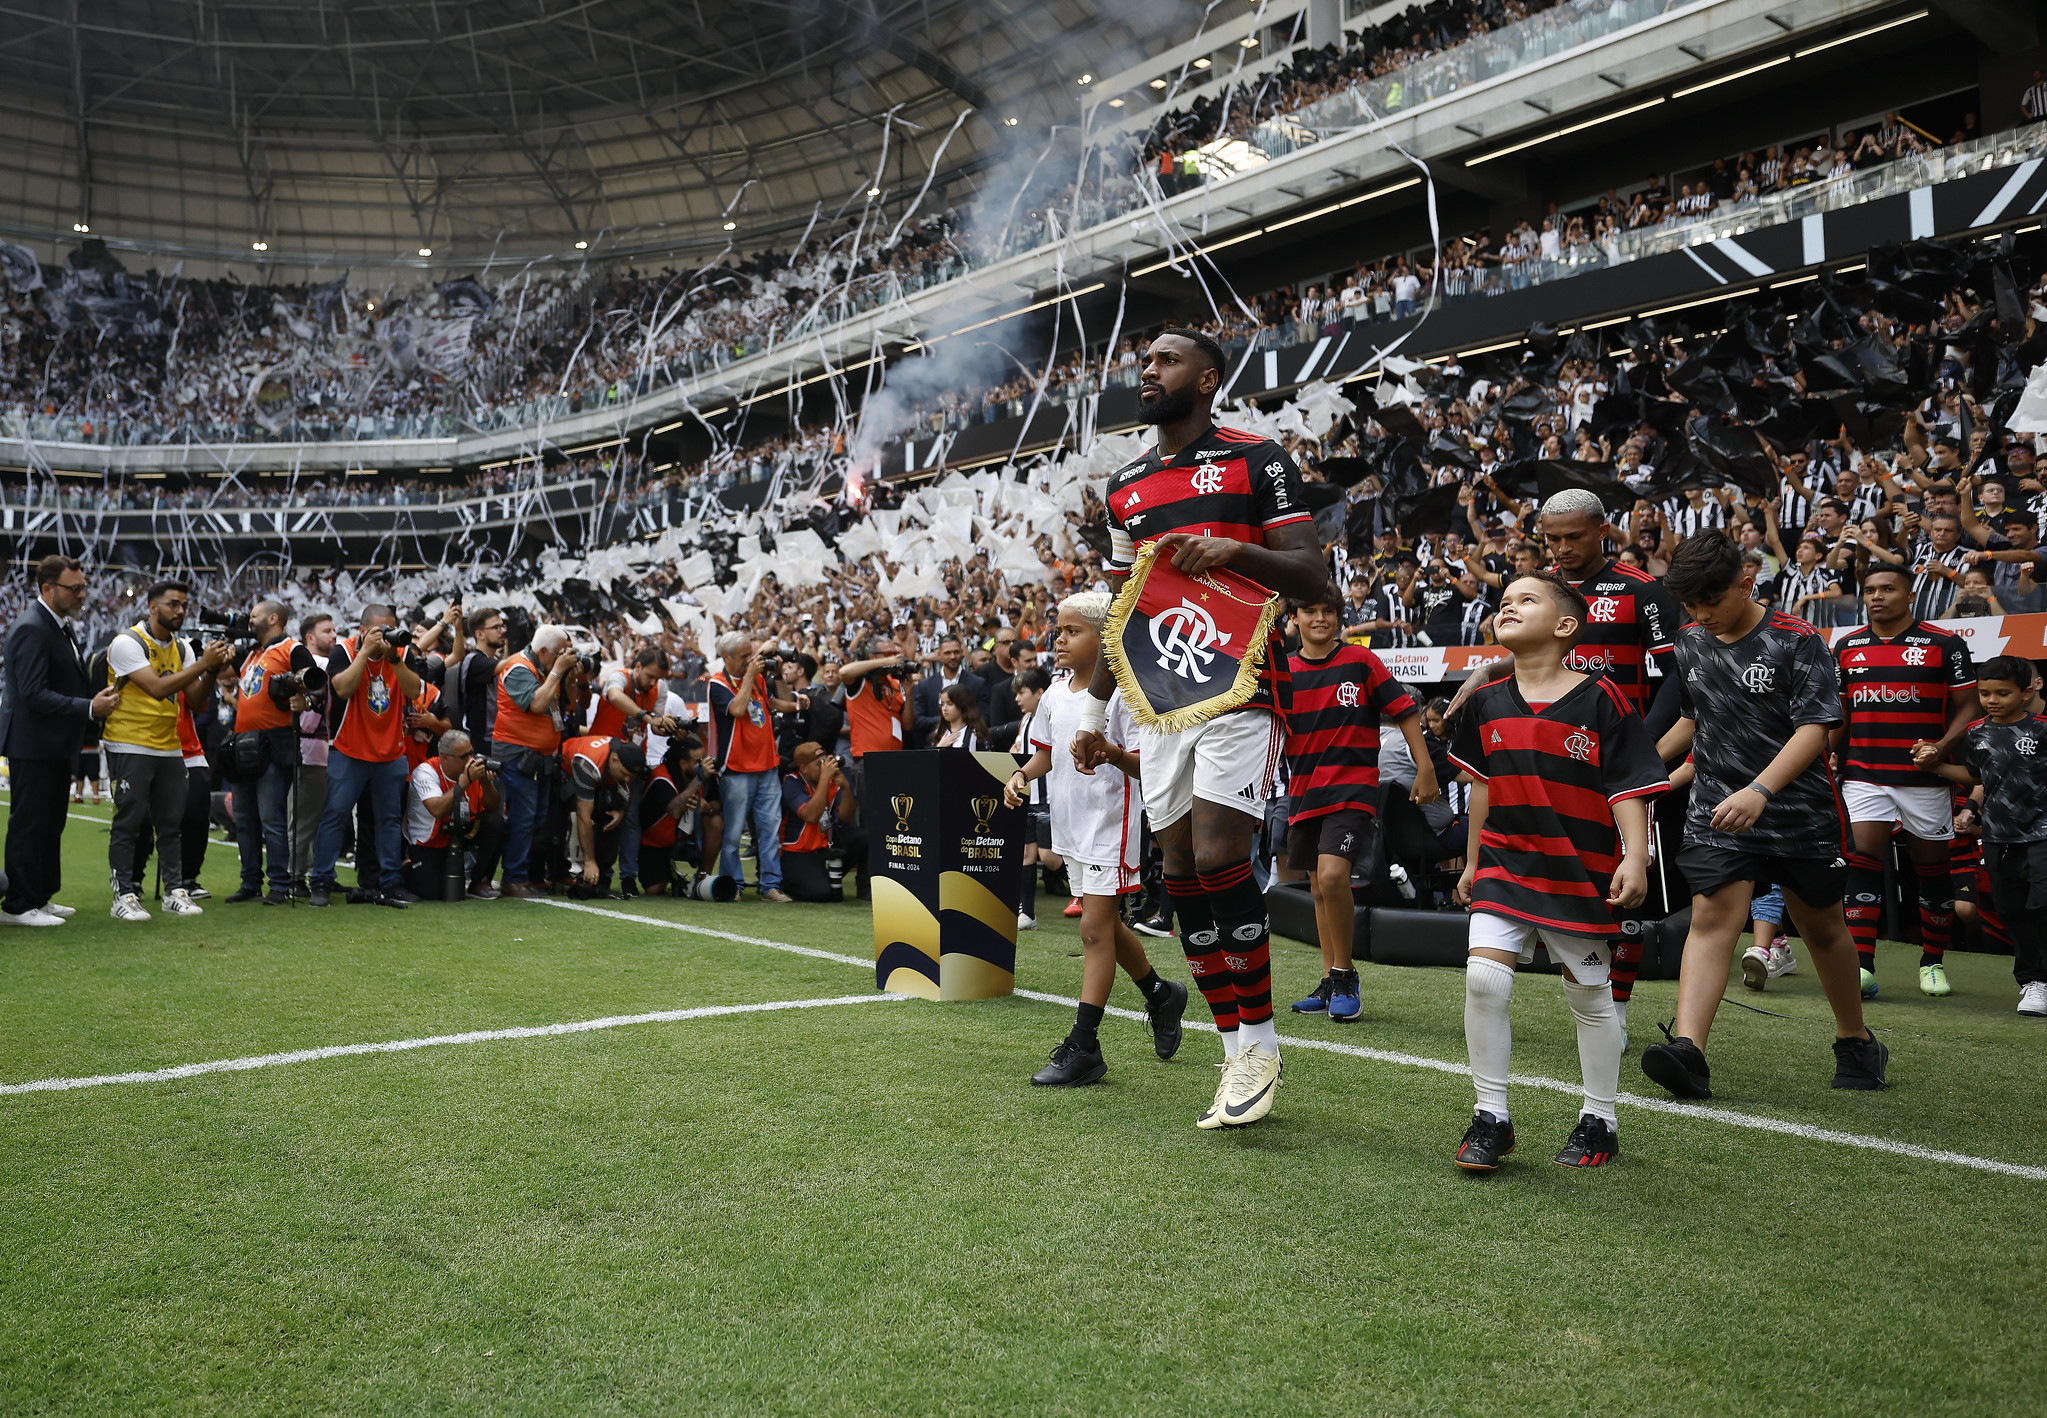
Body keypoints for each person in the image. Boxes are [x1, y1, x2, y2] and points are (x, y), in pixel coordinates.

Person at [1071, 328, 1331, 1131]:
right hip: (1156, 699)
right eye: (1143, 360)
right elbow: (1122, 612)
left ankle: (1259, 1043)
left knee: (1220, 857)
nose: (1148, 370)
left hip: (1240, 682)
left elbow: (1312, 574)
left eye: (1167, 360)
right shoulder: (1125, 486)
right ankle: (1231, 1049)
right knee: (1178, 874)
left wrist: (1232, 551)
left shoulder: (1259, 460)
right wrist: (1090, 708)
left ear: (1208, 378)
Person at [1642, 530, 1888, 1099]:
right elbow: (1692, 718)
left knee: (1823, 928)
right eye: (1691, 606)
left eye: (1712, 602)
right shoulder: (1689, 640)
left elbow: (1817, 728)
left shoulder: (1796, 641)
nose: (1702, 616)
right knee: (1710, 919)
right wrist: (1648, 768)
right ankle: (1690, 1051)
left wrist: (1761, 790)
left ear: (1746, 583)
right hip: (1716, 810)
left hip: (1797, 814)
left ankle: (1855, 1040)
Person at [1447, 574, 1669, 1171]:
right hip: (1504, 862)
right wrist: (1472, 864)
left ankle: (1600, 1120)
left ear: (1566, 626)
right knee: (1485, 980)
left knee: (1592, 998)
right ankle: (1491, 1116)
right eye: (1504, 601)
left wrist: (1635, 857)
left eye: (1527, 600)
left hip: (1577, 870)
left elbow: (1628, 787)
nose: (1508, 607)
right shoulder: (1486, 702)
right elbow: (1481, 792)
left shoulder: (1603, 698)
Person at [1445, 487, 1684, 1033]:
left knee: (1620, 885)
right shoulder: (1542, 592)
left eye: (1573, 537)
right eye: (1551, 539)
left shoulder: (1642, 591)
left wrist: (1639, 743)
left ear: (1604, 530)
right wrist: (1491, 669)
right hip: (1544, 760)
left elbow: (1674, 672)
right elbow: (1532, 660)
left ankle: (1613, 1009)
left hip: (1616, 754)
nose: (1561, 548)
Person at [1006, 591, 1188, 1086]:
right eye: (1058, 631)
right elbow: (1045, 755)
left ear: (1105, 638)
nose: (1059, 640)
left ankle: (1084, 1046)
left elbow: (1146, 767)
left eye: (1072, 631)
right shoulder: (1053, 694)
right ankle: (1160, 995)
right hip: (1070, 827)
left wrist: (1110, 752)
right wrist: (1021, 775)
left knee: (1092, 930)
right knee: (1102, 926)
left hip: (1111, 824)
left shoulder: (1127, 695)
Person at [1284, 591, 1437, 1022]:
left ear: (1338, 618)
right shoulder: (1285, 670)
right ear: (1293, 617)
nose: (1319, 618)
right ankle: (1330, 980)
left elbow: (1405, 711)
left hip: (1351, 789)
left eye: (1328, 611)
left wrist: (1425, 769)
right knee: (1317, 886)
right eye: (1310, 609)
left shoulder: (1361, 661)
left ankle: (1346, 974)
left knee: (1333, 876)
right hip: (1302, 791)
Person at [1829, 563, 1978, 999]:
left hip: (1924, 779)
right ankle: (1862, 966)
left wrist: (1942, 747)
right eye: (1871, 590)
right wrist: (1831, 751)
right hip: (1865, 773)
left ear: (1909, 595)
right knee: (1862, 860)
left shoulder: (1943, 643)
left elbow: (1968, 706)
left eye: (1888, 589)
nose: (1878, 597)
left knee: (1930, 867)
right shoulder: (1847, 645)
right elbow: (1841, 712)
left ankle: (1932, 962)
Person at [1914, 657, 2047, 1016]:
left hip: (2042, 834)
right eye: (1985, 693)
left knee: (2042, 903)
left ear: (2026, 692)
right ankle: (2033, 983)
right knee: (2011, 909)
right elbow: (1974, 775)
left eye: (2003, 693)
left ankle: (2041, 979)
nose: (1992, 700)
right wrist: (1935, 765)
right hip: (1998, 837)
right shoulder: (1976, 732)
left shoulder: (2042, 729)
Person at [101, 580, 234, 922]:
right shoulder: (127, 643)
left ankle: (175, 890)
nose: (180, 611)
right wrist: (204, 664)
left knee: (171, 823)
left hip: (169, 745)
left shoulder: (182, 648)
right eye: (172, 604)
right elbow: (158, 689)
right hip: (130, 741)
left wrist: (213, 669)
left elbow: (196, 700)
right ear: (152, 607)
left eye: (184, 605)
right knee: (130, 821)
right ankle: (124, 894)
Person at [0, 556, 120, 927]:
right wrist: (88, 706)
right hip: (32, 744)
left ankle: (40, 895)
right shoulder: (33, 628)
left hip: (51, 743)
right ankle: (18, 904)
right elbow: (34, 694)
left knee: (51, 822)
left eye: (83, 586)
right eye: (75, 588)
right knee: (31, 823)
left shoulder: (57, 626)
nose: (82, 594)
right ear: (48, 588)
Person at [309, 606, 424, 909]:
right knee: (335, 815)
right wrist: (365, 653)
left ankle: (391, 881)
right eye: (380, 631)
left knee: (388, 820)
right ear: (362, 631)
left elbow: (414, 691)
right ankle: (321, 880)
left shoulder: (401, 652)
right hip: (349, 750)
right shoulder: (342, 652)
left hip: (391, 752)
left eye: (391, 630)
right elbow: (343, 689)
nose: (387, 637)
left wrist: (394, 657)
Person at [228, 600, 321, 905]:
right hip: (243, 742)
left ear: (272, 619)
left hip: (274, 741)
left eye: (252, 616)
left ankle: (280, 885)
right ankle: (250, 881)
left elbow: (318, 684)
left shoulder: (291, 648)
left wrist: (306, 701)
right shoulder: (252, 653)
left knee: (271, 817)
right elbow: (226, 677)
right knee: (244, 817)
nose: (248, 621)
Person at [490, 625, 584, 899]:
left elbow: (569, 705)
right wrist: (557, 672)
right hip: (519, 756)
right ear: (543, 651)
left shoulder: (544, 669)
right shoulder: (519, 668)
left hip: (540, 758)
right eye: (560, 653)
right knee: (523, 817)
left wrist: (566, 677)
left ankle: (523, 876)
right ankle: (513, 879)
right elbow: (536, 704)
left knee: (536, 817)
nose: (564, 657)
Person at [709, 634, 797, 902]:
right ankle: (733, 884)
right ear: (727, 657)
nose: (750, 660)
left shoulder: (758, 675)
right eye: (744, 656)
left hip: (767, 765)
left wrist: (792, 701)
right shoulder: (718, 683)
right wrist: (748, 675)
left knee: (770, 829)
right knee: (734, 832)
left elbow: (769, 703)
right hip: (737, 768)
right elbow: (737, 709)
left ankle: (770, 885)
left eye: (751, 654)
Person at [592, 646, 680, 896]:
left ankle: (628, 877)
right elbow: (614, 695)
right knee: (604, 817)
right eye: (650, 676)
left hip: (631, 765)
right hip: (603, 760)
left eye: (658, 678)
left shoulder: (659, 688)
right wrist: (646, 715)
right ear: (637, 667)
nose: (653, 682)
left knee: (630, 820)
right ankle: (599, 876)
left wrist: (669, 727)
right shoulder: (619, 676)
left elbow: (656, 725)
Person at [403, 729, 505, 900]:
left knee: (495, 823)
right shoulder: (426, 772)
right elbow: (437, 810)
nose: (471, 760)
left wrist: (486, 784)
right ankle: (407, 868)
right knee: (432, 893)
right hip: (430, 840)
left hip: (460, 831)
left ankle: (480, 882)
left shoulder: (472, 771)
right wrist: (463, 783)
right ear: (444, 757)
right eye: (464, 756)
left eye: (471, 753)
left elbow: (494, 808)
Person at [562, 732, 646, 897]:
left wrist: (622, 812)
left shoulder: (627, 757)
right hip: (566, 773)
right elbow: (583, 816)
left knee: (612, 815)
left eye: (631, 776)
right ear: (614, 760)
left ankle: (600, 880)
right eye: (624, 774)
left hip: (600, 777)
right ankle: (549, 873)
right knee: (553, 828)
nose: (627, 779)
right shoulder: (588, 764)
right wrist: (589, 861)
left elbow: (629, 789)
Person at [291, 612, 337, 896]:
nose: (334, 635)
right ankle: (296, 876)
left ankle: (308, 873)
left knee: (309, 819)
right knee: (306, 820)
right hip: (310, 747)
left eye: (334, 630)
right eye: (327, 631)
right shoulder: (317, 666)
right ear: (310, 637)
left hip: (311, 747)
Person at [780, 741, 861, 902]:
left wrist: (845, 788)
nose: (825, 767)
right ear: (803, 767)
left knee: (861, 838)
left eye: (825, 761)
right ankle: (790, 883)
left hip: (824, 848)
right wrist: (825, 779)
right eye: (819, 764)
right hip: (797, 853)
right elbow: (811, 816)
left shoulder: (830, 781)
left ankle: (865, 888)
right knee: (820, 894)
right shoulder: (792, 782)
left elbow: (847, 817)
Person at [1009, 664, 1054, 930]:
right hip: (1029, 796)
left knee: (1049, 857)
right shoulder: (1025, 719)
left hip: (1049, 798)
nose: (1017, 698)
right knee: (1026, 854)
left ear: (1039, 693)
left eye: (1022, 692)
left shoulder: (1051, 717)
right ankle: (1027, 913)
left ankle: (1084, 896)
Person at [639, 733, 710, 893]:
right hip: (654, 843)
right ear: (683, 764)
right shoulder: (661, 778)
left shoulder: (706, 774)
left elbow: (719, 804)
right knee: (655, 890)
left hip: (685, 839)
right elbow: (674, 810)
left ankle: (704, 874)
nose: (704, 765)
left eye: (704, 759)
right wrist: (698, 779)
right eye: (698, 762)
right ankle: (670, 872)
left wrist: (708, 807)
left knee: (715, 821)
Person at [912, 637, 987, 744]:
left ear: (962, 652)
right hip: (934, 743)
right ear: (939, 654)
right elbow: (918, 720)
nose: (952, 657)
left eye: (956, 652)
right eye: (947, 653)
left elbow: (985, 717)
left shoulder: (977, 683)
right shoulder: (925, 685)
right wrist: (949, 720)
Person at [934, 683, 990, 749]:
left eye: (950, 704)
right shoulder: (937, 734)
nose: (944, 708)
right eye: (942, 704)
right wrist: (940, 746)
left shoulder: (977, 735)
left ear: (962, 705)